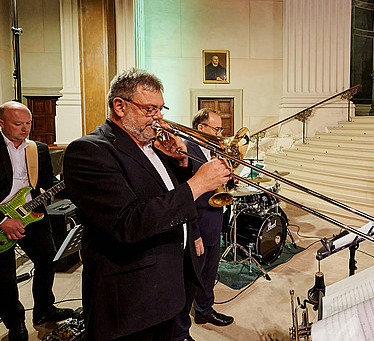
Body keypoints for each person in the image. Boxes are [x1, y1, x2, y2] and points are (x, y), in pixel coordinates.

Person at [63, 68, 231, 341]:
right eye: (150, 109)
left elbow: (166, 196)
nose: (159, 118)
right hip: (135, 300)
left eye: (161, 109)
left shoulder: (150, 146)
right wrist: (198, 184)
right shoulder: (89, 151)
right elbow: (128, 222)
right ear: (120, 106)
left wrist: (181, 164)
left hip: (172, 282)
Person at [0, 101, 75, 341]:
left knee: (48, 259)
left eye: (28, 123)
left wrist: (69, 186)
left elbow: (47, 181)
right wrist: (2, 220)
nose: (25, 129)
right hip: (2, 219)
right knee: (5, 278)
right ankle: (15, 323)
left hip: (32, 213)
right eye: (18, 123)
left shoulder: (38, 149)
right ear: (2, 123)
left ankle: (44, 310)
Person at [175, 109, 234, 338]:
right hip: (198, 223)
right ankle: (180, 329)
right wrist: (195, 232)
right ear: (201, 128)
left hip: (215, 217)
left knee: (209, 272)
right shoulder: (186, 151)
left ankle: (204, 310)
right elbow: (184, 193)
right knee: (191, 277)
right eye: (216, 129)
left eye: (221, 130)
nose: (220, 134)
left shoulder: (213, 151)